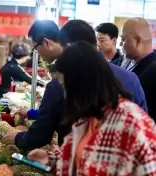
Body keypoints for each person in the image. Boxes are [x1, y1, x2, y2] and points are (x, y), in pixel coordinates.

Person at [1, 20, 147, 150]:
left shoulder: (61, 83)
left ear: (70, 47)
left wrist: (19, 138)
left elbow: (40, 135)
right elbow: (144, 129)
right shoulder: (131, 78)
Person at [28, 41, 156, 176]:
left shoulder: (130, 122)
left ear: (85, 82)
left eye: (66, 86)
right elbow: (87, 159)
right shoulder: (86, 120)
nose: (65, 94)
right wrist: (52, 160)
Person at [121, 17, 156, 121]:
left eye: (123, 40)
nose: (120, 44)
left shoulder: (153, 71)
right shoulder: (127, 61)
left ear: (138, 41)